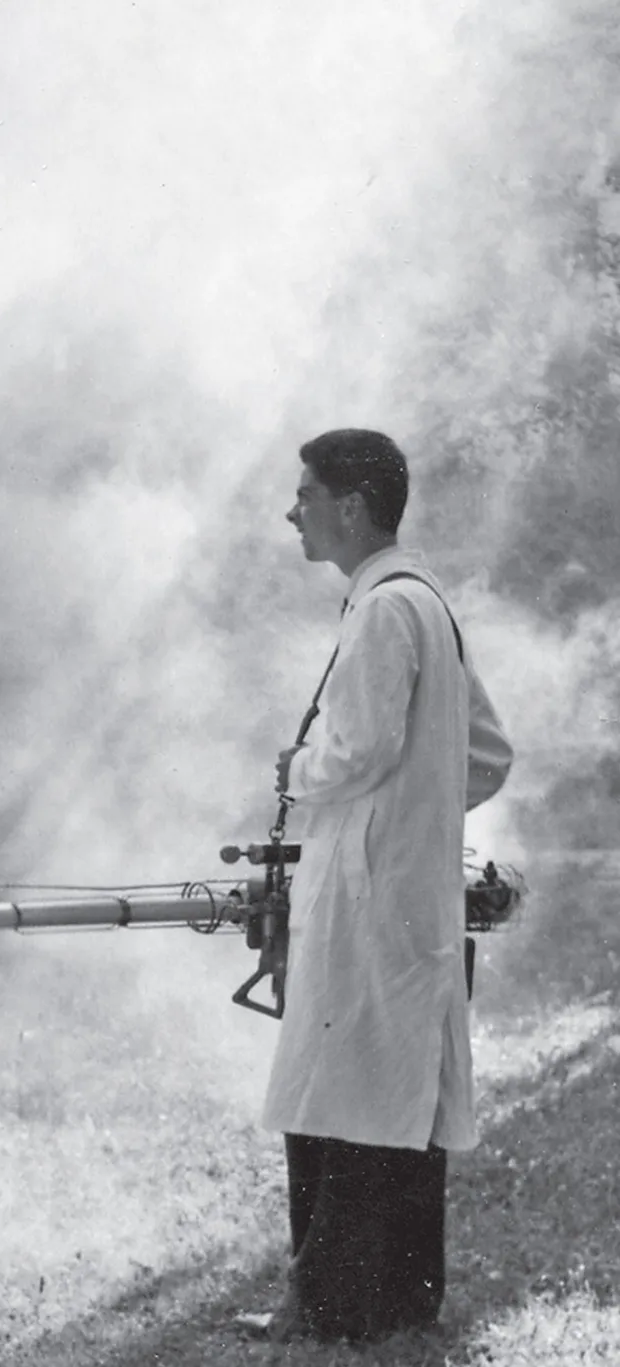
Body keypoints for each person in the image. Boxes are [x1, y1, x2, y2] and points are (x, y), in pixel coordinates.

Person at [251, 429, 513, 1342]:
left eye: (307, 493)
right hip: (406, 897)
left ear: (353, 507)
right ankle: (400, 1298)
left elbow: (356, 749)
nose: (295, 510)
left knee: (344, 1096)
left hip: (367, 905)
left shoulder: (379, 610)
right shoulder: (425, 601)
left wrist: (298, 769)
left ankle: (339, 1309)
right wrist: (421, 815)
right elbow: (485, 755)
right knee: (394, 1099)